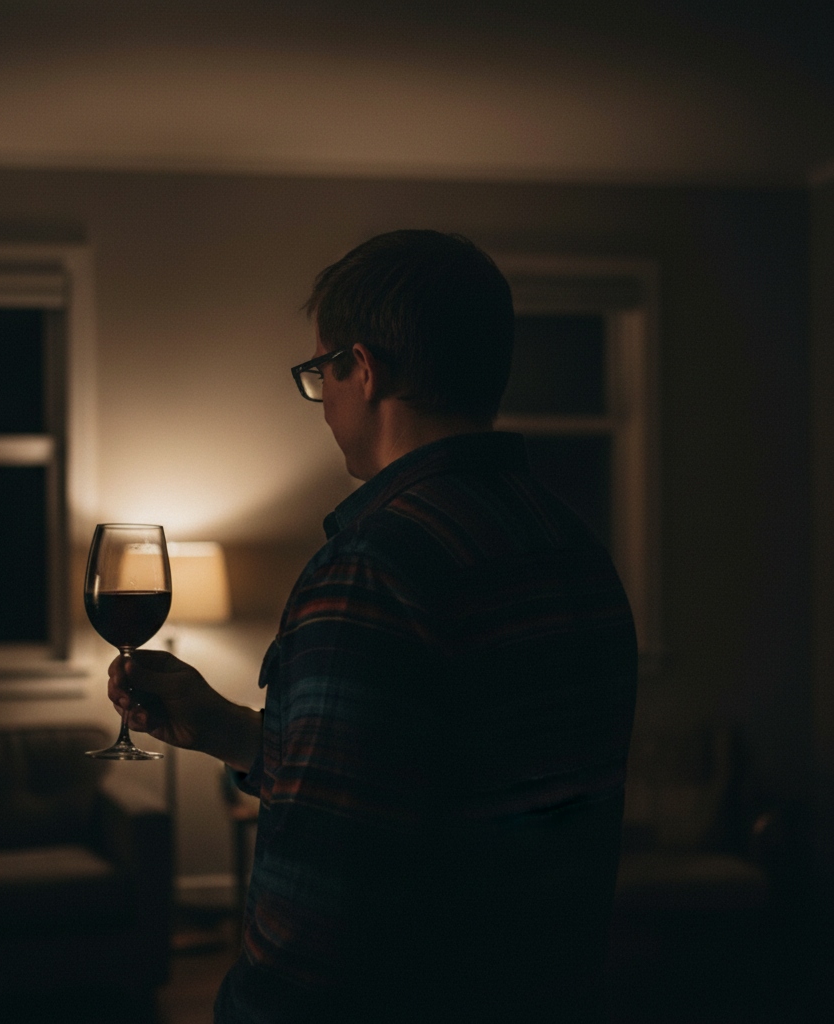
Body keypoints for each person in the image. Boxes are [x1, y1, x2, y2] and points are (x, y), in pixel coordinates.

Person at [107, 230, 638, 1023]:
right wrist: (231, 731)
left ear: (362, 368)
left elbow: (323, 889)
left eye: (321, 372)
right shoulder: (576, 551)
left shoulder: (373, 566)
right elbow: (426, 782)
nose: (323, 404)